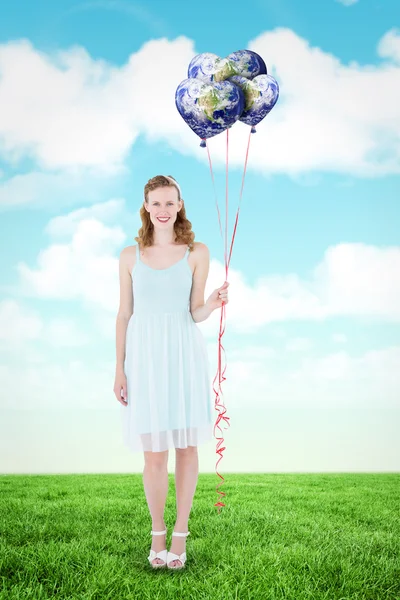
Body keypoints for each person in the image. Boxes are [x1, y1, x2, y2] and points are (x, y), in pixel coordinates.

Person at [114, 174, 229, 569]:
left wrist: (212, 303)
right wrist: (120, 368)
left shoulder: (196, 252)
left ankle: (180, 534)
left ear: (180, 205)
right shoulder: (130, 256)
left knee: (186, 446)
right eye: (156, 203)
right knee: (153, 452)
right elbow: (125, 314)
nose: (163, 210)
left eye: (170, 202)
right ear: (146, 207)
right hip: (144, 359)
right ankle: (157, 532)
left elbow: (193, 312)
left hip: (182, 354)